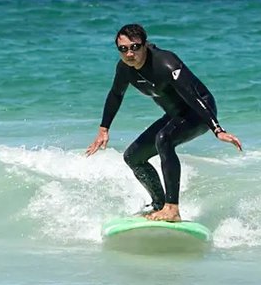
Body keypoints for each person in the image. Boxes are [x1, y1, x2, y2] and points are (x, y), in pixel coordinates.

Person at [86, 24, 242, 222]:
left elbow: (193, 96)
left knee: (164, 139)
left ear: (144, 45)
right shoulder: (125, 68)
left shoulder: (166, 63)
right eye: (123, 49)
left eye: (135, 47)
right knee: (133, 157)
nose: (129, 53)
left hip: (199, 113)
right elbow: (116, 94)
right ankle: (159, 205)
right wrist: (104, 129)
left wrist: (217, 128)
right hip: (175, 115)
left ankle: (172, 209)